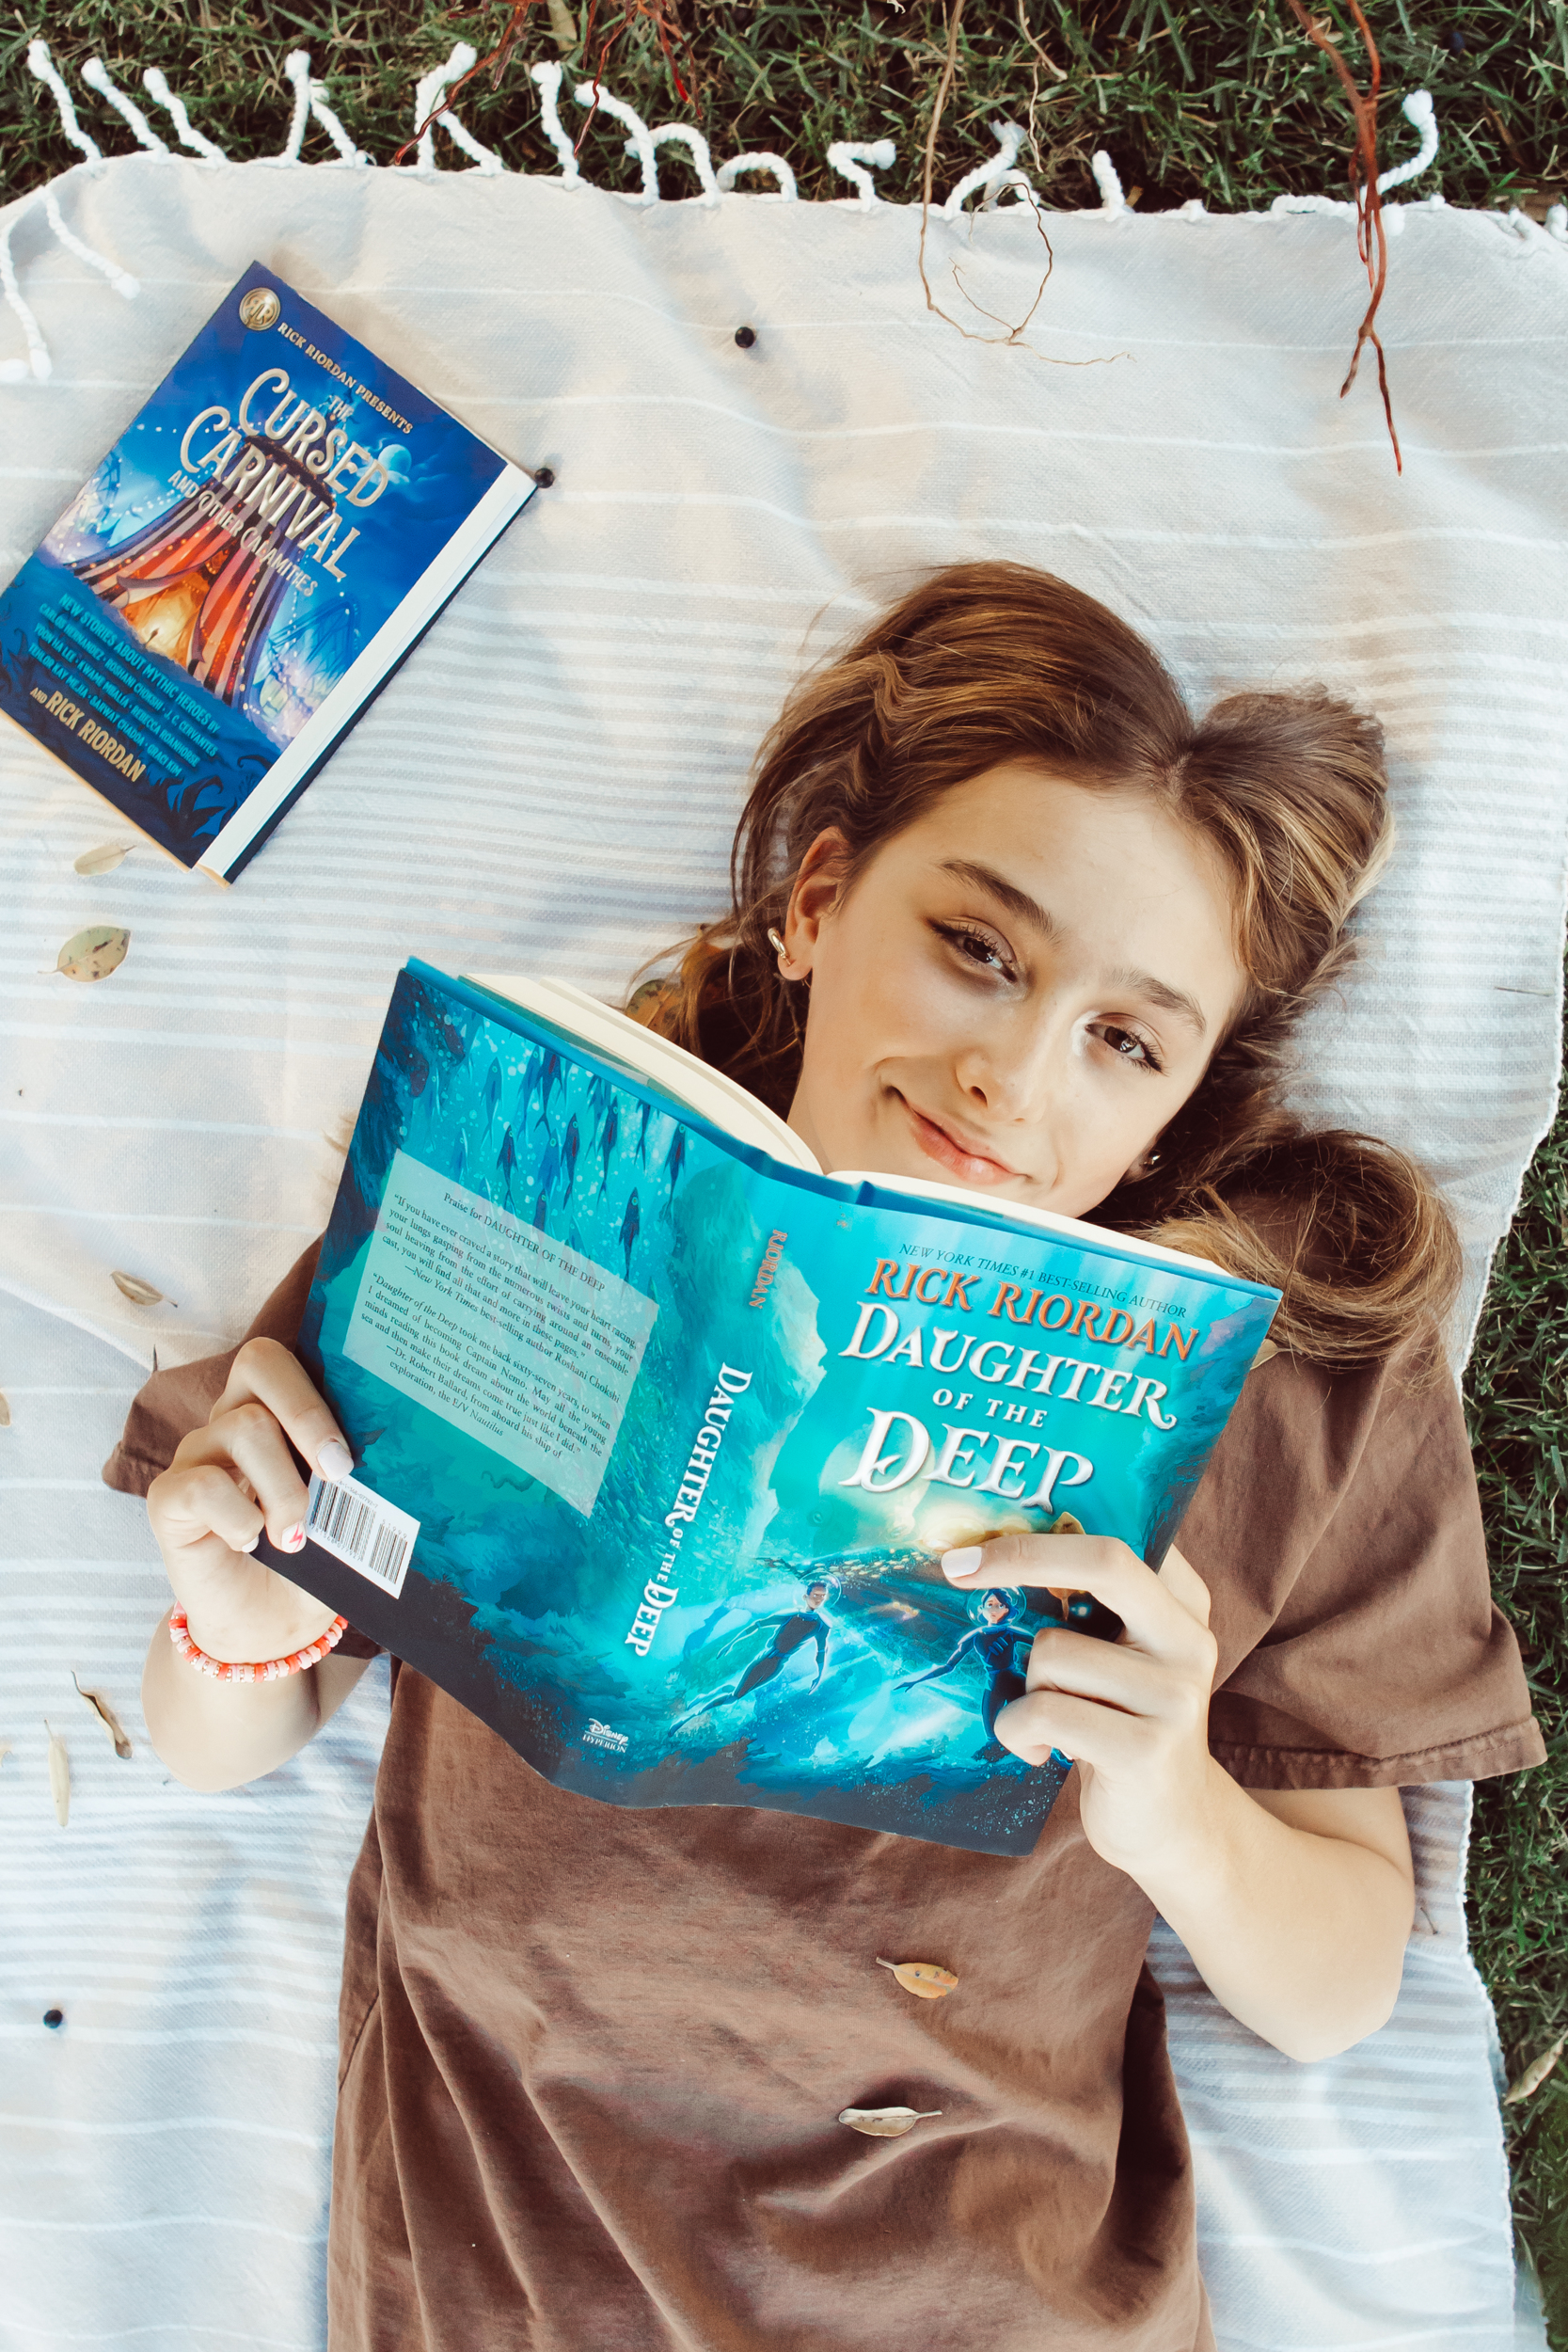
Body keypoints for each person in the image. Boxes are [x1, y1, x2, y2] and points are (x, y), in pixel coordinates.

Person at [122, 562, 1543, 2351]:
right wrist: (228, 1589)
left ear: (1180, 1100)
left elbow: (1338, 1992)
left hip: (976, 2298)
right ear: (816, 899)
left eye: (1123, 1042)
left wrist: (1175, 1804)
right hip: (504, 2270)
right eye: (975, 948)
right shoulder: (529, 1186)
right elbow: (220, 1739)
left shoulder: (1294, 1383)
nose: (1014, 1081)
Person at [673, 1581, 832, 1729]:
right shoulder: (791, 1615)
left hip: (778, 1665)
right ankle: (689, 1717)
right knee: (735, 1696)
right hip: (765, 1658)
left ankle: (704, 1696)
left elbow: (821, 1650)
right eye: (815, 1595)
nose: (818, 1599)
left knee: (740, 1691)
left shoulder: (821, 1626)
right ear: (806, 1596)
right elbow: (758, 1625)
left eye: (822, 1596)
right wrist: (731, 1643)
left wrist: (819, 1676)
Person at [897, 1587, 1034, 1750]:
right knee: (991, 1736)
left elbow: (1040, 1644)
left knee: (1030, 1725)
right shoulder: (975, 1637)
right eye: (990, 1604)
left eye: (1000, 1605)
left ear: (1007, 1609)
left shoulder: (1011, 1632)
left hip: (1015, 1682)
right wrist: (916, 1680)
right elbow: (948, 1666)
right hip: (994, 1686)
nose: (994, 1609)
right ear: (981, 1609)